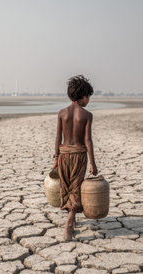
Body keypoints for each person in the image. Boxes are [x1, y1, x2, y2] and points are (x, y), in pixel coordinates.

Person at [53, 75, 98, 241]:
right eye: (89, 97)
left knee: (66, 188)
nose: (89, 101)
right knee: (75, 188)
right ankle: (69, 224)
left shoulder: (62, 113)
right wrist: (92, 163)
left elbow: (58, 138)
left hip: (64, 154)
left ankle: (70, 222)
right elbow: (87, 140)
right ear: (84, 96)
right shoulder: (86, 115)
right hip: (79, 155)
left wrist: (56, 158)